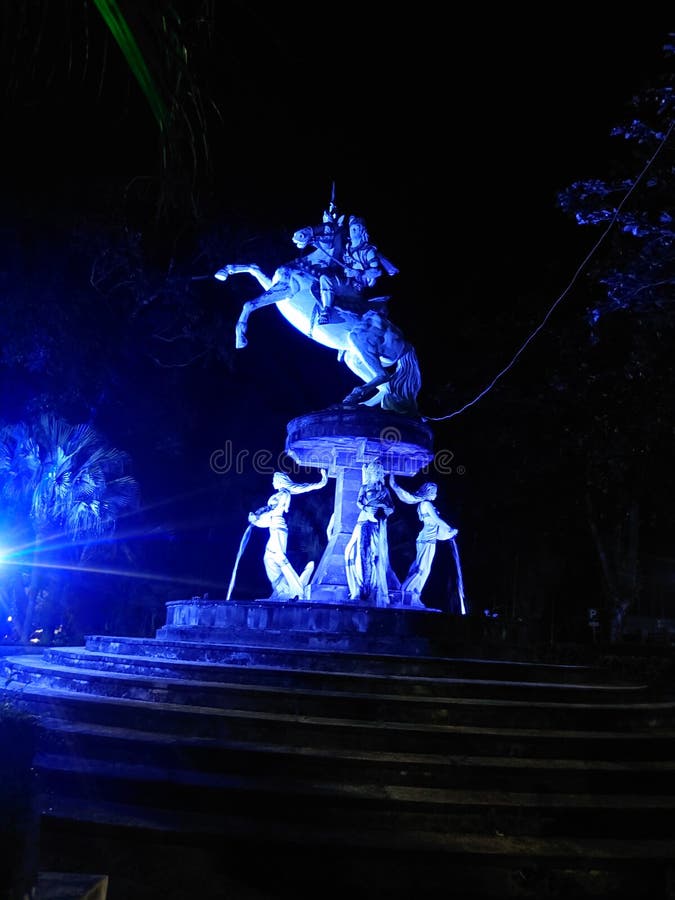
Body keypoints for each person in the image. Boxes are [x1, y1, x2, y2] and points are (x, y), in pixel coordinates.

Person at [248, 469, 328, 600]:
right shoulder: (280, 494)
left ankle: (297, 591)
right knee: (269, 558)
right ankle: (282, 590)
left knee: (278, 558)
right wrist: (256, 518)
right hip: (274, 526)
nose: (273, 482)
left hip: (278, 527)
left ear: (280, 481)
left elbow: (274, 512)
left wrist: (257, 518)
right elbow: (267, 514)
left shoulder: (284, 494)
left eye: (274, 480)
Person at [389, 475, 459, 609]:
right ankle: (409, 593)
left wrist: (447, 532)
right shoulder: (426, 504)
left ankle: (409, 592)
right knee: (423, 568)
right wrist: (450, 528)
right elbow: (436, 520)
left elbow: (434, 524)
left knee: (419, 567)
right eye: (434, 492)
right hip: (427, 539)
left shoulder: (423, 505)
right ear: (428, 493)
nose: (436, 495)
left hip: (427, 538)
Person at [317, 215, 393, 324]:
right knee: (324, 278)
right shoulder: (347, 247)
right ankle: (326, 309)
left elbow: (377, 272)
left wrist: (358, 272)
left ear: (362, 231)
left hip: (357, 289)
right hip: (345, 282)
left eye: (356, 229)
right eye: (352, 228)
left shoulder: (368, 251)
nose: (353, 231)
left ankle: (327, 312)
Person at [344, 459, 398, 606]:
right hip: (364, 522)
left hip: (378, 524)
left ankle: (375, 585)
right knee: (360, 552)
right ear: (370, 473)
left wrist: (386, 510)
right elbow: (359, 502)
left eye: (379, 473)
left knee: (376, 554)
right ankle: (361, 585)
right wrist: (366, 508)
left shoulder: (384, 490)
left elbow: (392, 507)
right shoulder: (365, 487)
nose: (377, 475)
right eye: (375, 472)